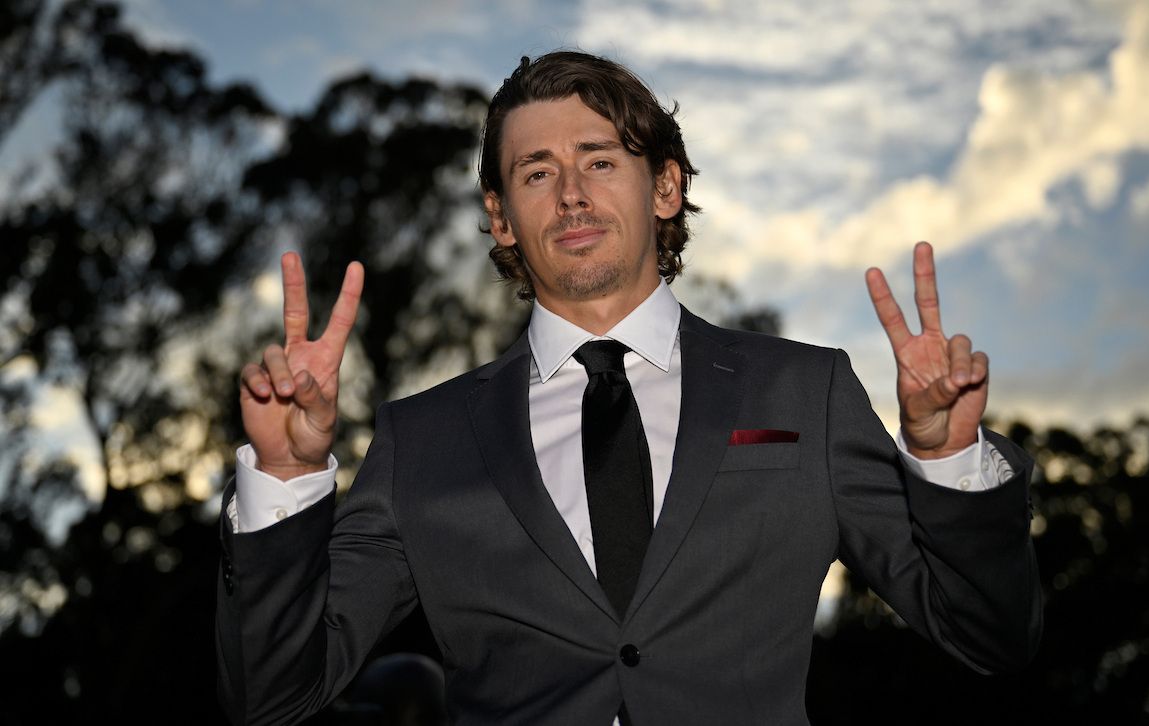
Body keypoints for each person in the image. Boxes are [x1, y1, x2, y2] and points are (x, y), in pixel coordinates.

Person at [216, 51, 1041, 725]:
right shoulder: (422, 439)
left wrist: (946, 455)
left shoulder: (804, 393)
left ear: (666, 188)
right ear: (501, 219)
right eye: (536, 174)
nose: (571, 192)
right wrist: (286, 481)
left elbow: (989, 637)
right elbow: (276, 694)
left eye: (600, 161)